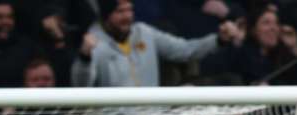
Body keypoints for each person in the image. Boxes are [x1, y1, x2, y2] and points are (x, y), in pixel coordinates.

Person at [71, 0, 239, 87]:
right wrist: (84, 57)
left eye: (129, 9)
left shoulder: (144, 32)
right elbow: (81, 85)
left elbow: (184, 50)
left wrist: (218, 40)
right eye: (120, 11)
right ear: (106, 16)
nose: (127, 16)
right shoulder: (93, 42)